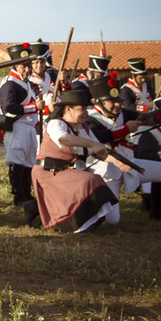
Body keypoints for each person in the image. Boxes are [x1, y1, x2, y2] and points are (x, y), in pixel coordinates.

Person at [85, 74, 161, 223]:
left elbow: (147, 118)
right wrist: (125, 129)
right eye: (111, 101)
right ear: (99, 101)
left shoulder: (123, 114)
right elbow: (97, 138)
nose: (116, 105)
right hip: (106, 172)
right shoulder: (89, 118)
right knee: (111, 221)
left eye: (118, 102)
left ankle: (157, 211)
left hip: (129, 164)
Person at [31, 89, 119, 232]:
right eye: (82, 109)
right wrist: (92, 144)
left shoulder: (83, 128)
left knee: (90, 179)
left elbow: (99, 152)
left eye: (86, 108)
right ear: (68, 110)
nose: (86, 112)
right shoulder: (56, 124)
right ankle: (74, 223)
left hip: (65, 173)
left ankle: (85, 221)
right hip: (48, 173)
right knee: (90, 180)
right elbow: (63, 139)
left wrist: (116, 161)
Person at [0, 43, 41, 225]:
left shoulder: (26, 83)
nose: (27, 69)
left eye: (28, 66)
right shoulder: (10, 83)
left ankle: (26, 193)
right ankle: (18, 196)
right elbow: (8, 107)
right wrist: (33, 107)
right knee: (17, 161)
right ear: (16, 65)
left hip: (29, 127)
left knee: (28, 162)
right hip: (17, 127)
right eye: (24, 66)